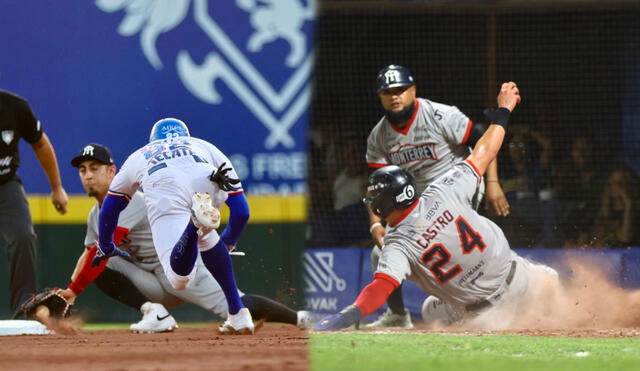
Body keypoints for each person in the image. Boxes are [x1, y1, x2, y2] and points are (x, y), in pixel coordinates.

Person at [315, 82, 558, 331]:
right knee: (551, 279)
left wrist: (348, 316)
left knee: (430, 310)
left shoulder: (397, 245)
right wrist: (503, 111)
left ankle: (403, 315)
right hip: (520, 280)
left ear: (382, 207)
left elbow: (380, 288)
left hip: (488, 317)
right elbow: (485, 149)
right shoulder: (444, 188)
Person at [56, 142, 311, 332]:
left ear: (112, 171)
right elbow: (91, 252)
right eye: (82, 170)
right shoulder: (95, 214)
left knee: (237, 303)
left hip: (183, 265)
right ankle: (153, 312)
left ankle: (299, 318)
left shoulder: (132, 201)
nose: (88, 175)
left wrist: (74, 288)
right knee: (103, 257)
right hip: (151, 280)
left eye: (94, 168)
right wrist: (71, 290)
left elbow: (96, 253)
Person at [363, 65, 510, 328]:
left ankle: (490, 290)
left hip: (456, 188)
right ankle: (398, 315)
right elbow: (375, 186)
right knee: (379, 253)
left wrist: (493, 182)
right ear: (380, 97)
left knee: (452, 240)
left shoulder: (440, 115)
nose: (395, 96)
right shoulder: (378, 136)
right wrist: (376, 223)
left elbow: (483, 143)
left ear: (413, 90)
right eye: (388, 92)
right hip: (416, 202)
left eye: (401, 90)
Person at [90, 118, 257, 335]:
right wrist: (228, 242)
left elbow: (111, 206)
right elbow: (242, 211)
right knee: (207, 239)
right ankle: (238, 314)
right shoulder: (203, 145)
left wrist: (105, 243)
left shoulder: (141, 154)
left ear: (153, 140)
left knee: (179, 280)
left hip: (165, 188)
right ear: (185, 136)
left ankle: (194, 224)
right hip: (207, 181)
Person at [0, 90, 68, 318]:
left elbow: (40, 144)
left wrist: (57, 188)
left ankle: (24, 310)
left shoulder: (15, 107)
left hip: (5, 184)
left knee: (23, 237)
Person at [591, 166, 640, 248]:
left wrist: (629, 204)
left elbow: (625, 238)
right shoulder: (605, 212)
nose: (616, 186)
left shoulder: (636, 212)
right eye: (613, 182)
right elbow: (599, 237)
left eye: (621, 182)